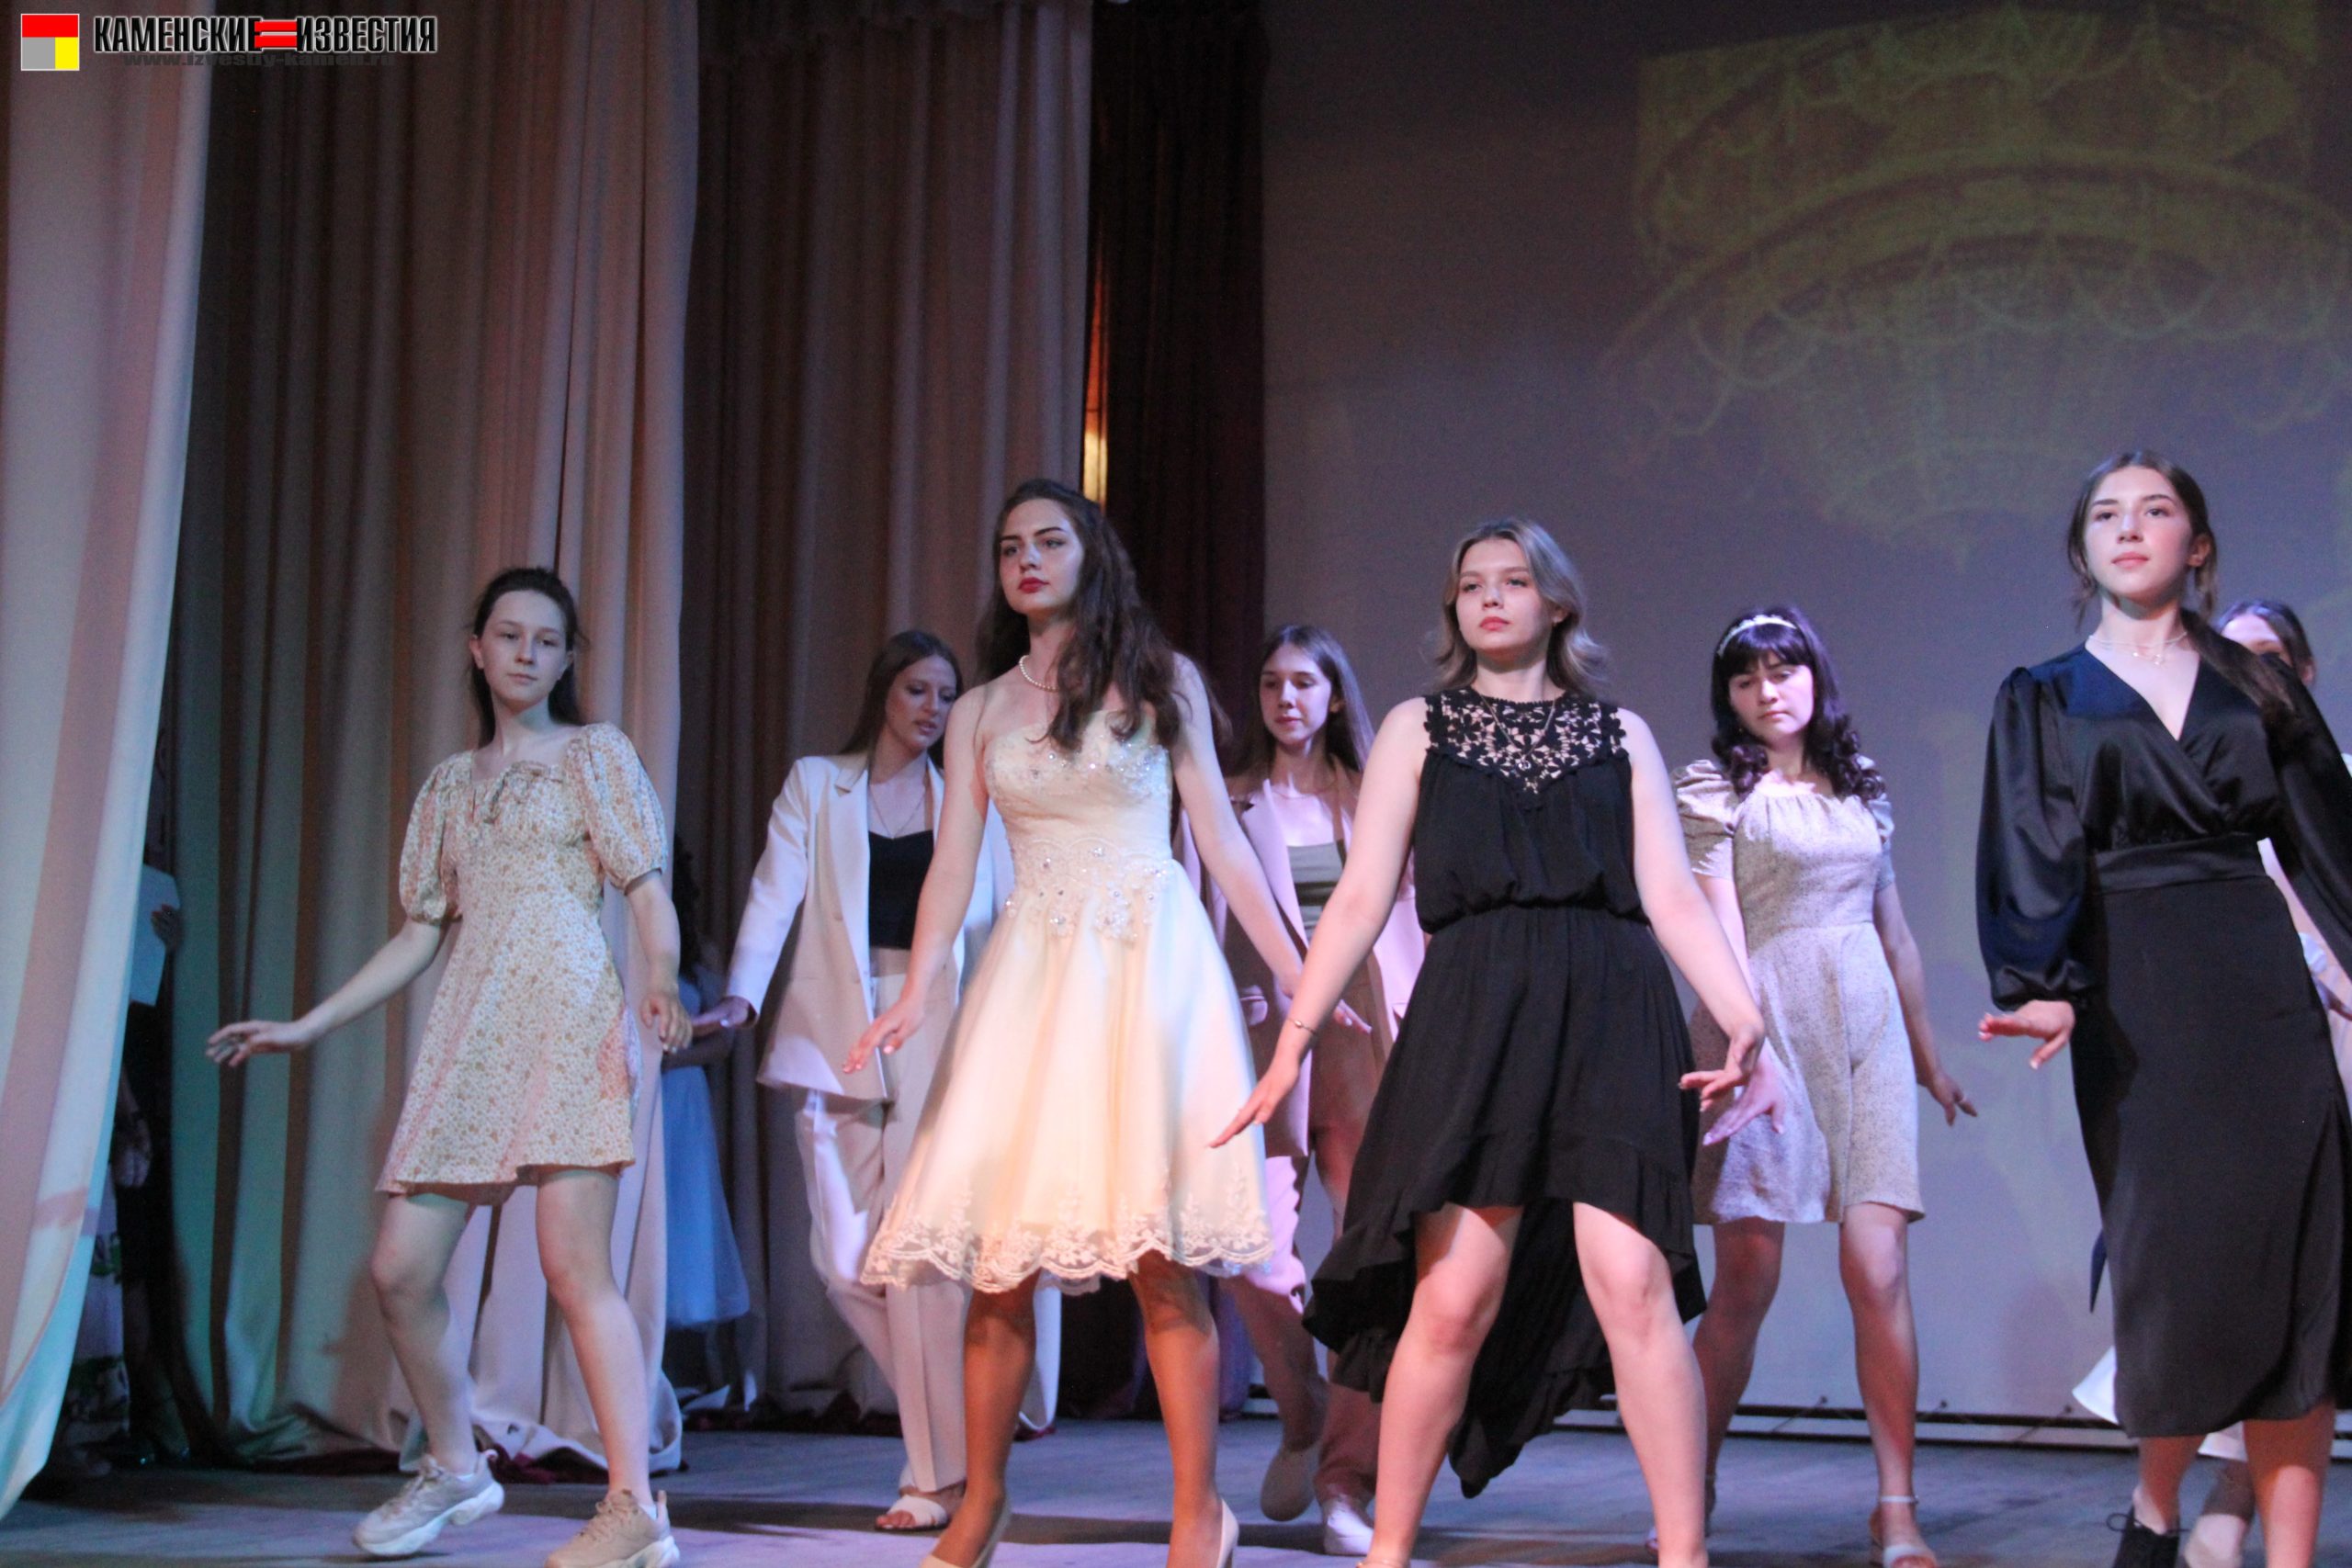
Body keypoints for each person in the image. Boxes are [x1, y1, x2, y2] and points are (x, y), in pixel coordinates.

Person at [1225, 518, 1783, 1568]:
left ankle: (1683, 1554)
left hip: (1611, 1010)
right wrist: (1293, 1040)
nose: (1488, 597)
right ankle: (1389, 1547)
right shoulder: (1416, 729)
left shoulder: (1618, 734)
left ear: (1555, 602)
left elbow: (1669, 893)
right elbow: (1359, 898)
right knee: (1452, 1297)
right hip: (1476, 1014)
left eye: (1512, 580)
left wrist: (1740, 1010)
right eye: (1470, 583)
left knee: (1632, 1285)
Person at [851, 479, 1306, 1568]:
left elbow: (1222, 842)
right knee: (998, 1258)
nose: (1026, 560)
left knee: (1160, 1256)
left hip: (1148, 972)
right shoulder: (979, 711)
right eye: (1010, 546)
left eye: (1048, 542)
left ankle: (1198, 1510)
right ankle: (982, 1502)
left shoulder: (1158, 679)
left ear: (1090, 555)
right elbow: (952, 863)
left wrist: (1301, 974)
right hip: (1034, 978)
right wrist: (916, 987)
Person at [209, 567, 689, 1568]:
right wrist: (308, 1024)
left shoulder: (592, 755)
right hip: (473, 1031)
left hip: (568, 1020)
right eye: (509, 635)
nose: (526, 653)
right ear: (477, 647)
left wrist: (659, 979)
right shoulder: (448, 786)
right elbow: (418, 931)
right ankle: (456, 1465)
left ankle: (634, 1506)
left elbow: (646, 887)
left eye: (546, 640)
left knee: (575, 1267)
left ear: (565, 657)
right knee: (400, 1268)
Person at [1977, 452, 2352, 1568]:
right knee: (2179, 1277)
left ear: (2197, 545)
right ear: (2081, 548)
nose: (2129, 528)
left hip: (2259, 988)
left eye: (2155, 510)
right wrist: (2042, 986)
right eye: (2105, 513)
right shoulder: (2042, 694)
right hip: (2134, 994)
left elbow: (2330, 846)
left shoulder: (2259, 687)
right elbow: (2031, 846)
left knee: (2299, 1276)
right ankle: (2154, 1513)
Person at [692, 629, 1057, 1532]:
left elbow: (1008, 913)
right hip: (836, 1028)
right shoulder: (819, 785)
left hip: (939, 1021)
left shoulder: (968, 798)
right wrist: (740, 997)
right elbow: (773, 893)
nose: (932, 708)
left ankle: (935, 1477)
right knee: (844, 1261)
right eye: (917, 690)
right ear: (883, 693)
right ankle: (970, 1421)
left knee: (921, 1261)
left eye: (945, 694)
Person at [1674, 605, 1973, 1567]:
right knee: (1746, 1280)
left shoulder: (1863, 785)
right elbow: (1716, 923)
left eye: (1784, 671)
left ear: (1815, 677)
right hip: (1758, 1023)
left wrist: (1926, 1058)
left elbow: (1897, 934)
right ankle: (1689, 1481)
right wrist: (1745, 1040)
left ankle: (1896, 1506)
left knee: (1877, 1269)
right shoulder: (1715, 788)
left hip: (1866, 1027)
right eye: (1747, 678)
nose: (1768, 691)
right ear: (1728, 696)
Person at [2066, 596, 2352, 1568]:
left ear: (2297, 679)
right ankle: (2155, 1509)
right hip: (2198, 1047)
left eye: (2263, 658)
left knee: (2300, 1295)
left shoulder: (2324, 782)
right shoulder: (2167, 787)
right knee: (2201, 1290)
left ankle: (2242, 1517)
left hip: (2316, 1046)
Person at [1213, 624, 1426, 1556]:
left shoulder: (1377, 795)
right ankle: (1301, 1407)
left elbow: (1412, 920)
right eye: (1270, 683)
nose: (1286, 699)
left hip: (1369, 1045)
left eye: (1303, 682)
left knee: (1367, 1266)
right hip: (1265, 1046)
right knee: (1251, 1250)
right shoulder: (1228, 799)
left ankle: (1345, 1480)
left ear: (1334, 695)